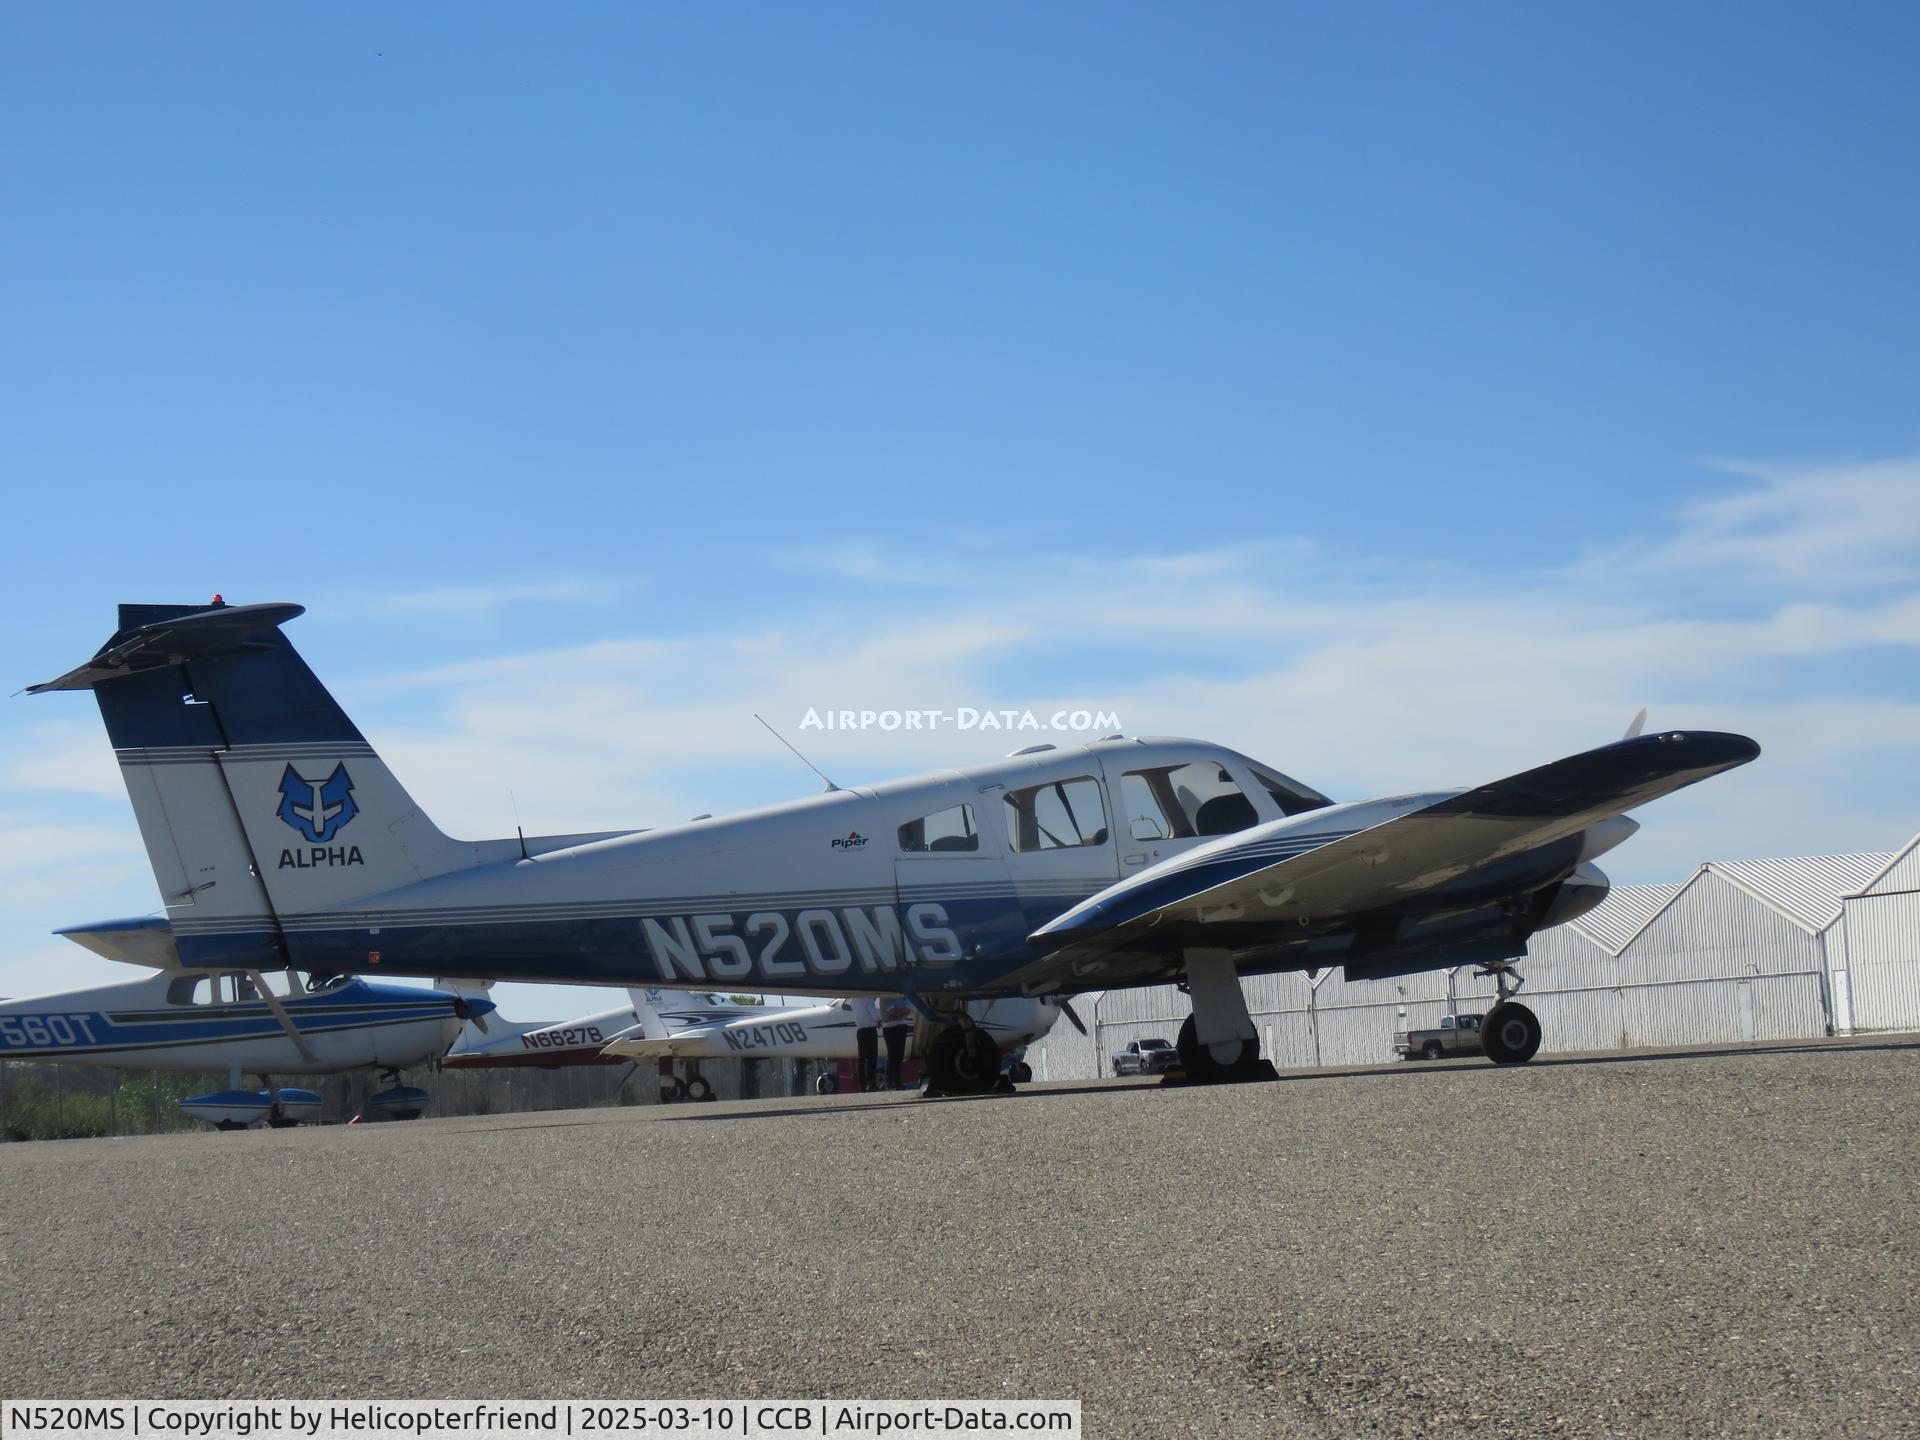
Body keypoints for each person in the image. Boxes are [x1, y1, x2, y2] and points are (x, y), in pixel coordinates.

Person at [880, 996, 915, 1089]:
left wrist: (898, 1013)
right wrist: (901, 1012)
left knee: (899, 1055)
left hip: (902, 1026)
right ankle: (889, 1081)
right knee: (892, 1055)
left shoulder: (900, 996)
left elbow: (908, 1010)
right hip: (890, 1028)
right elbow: (892, 1012)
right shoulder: (885, 997)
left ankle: (897, 1082)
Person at [850, 995, 881, 1091]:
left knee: (861, 1059)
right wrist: (878, 1021)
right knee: (872, 1058)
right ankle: (871, 1083)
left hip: (860, 1031)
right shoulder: (868, 999)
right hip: (870, 1030)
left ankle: (862, 1084)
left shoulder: (853, 1000)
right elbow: (874, 1014)